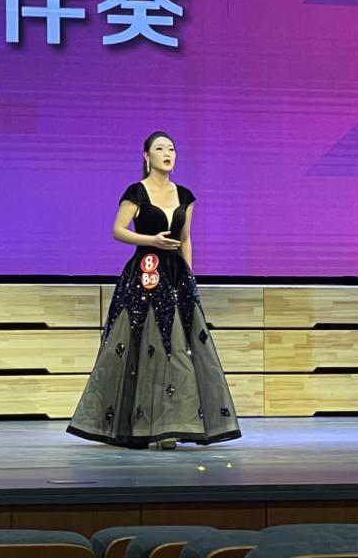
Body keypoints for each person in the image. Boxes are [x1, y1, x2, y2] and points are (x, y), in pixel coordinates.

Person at [67, 131, 241, 449]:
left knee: (179, 353)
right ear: (147, 156)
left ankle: (171, 425)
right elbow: (118, 230)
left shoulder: (185, 196)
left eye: (171, 148)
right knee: (143, 351)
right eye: (160, 148)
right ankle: (139, 425)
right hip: (144, 275)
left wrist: (188, 277)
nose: (167, 153)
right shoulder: (136, 192)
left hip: (176, 277)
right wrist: (152, 241)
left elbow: (185, 239)